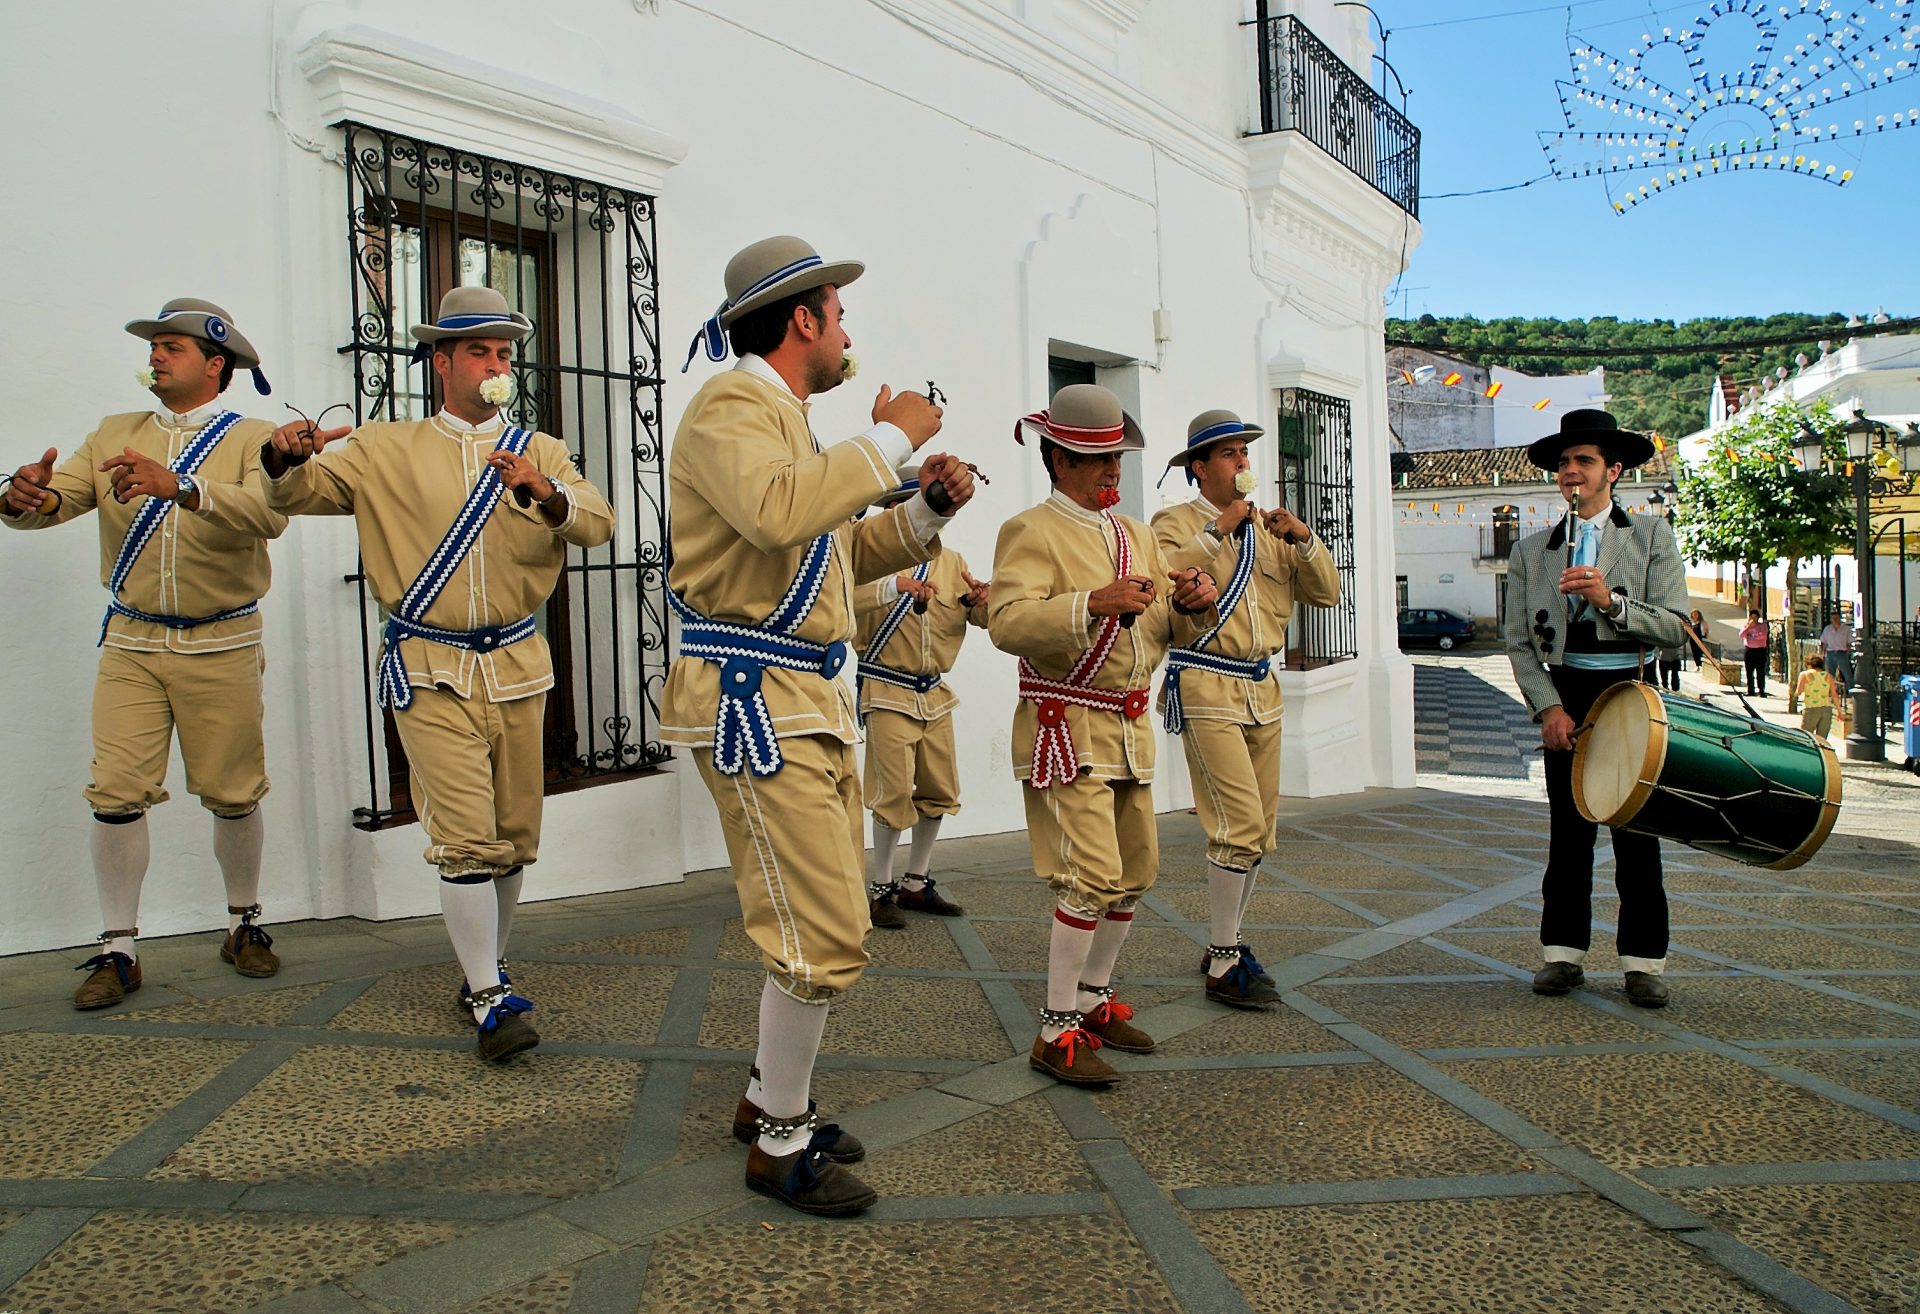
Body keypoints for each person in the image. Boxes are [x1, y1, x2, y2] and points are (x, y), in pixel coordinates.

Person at [664, 235, 973, 1216]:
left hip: (814, 705)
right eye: (840, 315)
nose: (848, 334)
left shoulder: (789, 424)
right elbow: (773, 513)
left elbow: (837, 555)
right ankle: (780, 1145)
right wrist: (892, 438)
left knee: (822, 922)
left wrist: (923, 507)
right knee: (821, 932)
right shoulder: (731, 406)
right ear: (803, 319)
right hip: (758, 704)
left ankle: (770, 1101)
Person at [262, 286, 614, 1063]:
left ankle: (481, 967)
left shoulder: (542, 449)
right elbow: (301, 492)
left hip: (519, 664)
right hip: (428, 665)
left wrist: (544, 492)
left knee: (515, 838)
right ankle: (489, 997)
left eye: (504, 352)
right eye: (481, 351)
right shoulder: (383, 448)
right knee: (463, 838)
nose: (496, 365)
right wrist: (283, 457)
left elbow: (597, 522)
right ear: (441, 360)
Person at [3, 298, 286, 1009]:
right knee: (116, 792)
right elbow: (54, 503)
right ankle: (118, 947)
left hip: (223, 639)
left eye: (173, 347)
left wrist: (183, 487)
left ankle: (243, 921)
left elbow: (271, 514)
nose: (156, 356)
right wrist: (18, 496)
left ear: (215, 364)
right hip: (131, 641)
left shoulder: (256, 437)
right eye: (155, 346)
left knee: (232, 790)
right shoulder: (112, 433)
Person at [990, 384, 1218, 1086]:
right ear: (1058, 461)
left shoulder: (1135, 536)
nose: (1111, 470)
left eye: (1116, 455)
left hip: (1128, 727)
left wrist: (1192, 606)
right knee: (1087, 876)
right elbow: (1007, 623)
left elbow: (1160, 631)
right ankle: (1055, 1027)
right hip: (1067, 725)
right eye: (1095, 458)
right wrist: (1092, 602)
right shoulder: (1030, 530)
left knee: (1135, 872)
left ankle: (1092, 1000)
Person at [1150, 409, 1338, 1009]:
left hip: (1264, 688)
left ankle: (1225, 942)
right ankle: (1224, 959)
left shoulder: (1270, 530)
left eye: (1245, 453)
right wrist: (1223, 527)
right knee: (1236, 826)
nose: (1243, 463)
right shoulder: (1174, 522)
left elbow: (1326, 595)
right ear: (1199, 468)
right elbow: (1163, 584)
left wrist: (1303, 540)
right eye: (1230, 454)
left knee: (1260, 834)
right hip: (1207, 683)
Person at [1503, 409, 1686, 1008]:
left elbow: (1677, 629)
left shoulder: (1652, 536)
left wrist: (1613, 604)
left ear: (1615, 470)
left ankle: (1643, 963)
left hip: (1631, 695)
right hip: (1568, 696)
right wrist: (1548, 708)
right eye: (1563, 463)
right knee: (1569, 831)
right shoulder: (1534, 552)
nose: (1570, 471)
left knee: (1638, 833)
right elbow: (1519, 644)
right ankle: (1562, 955)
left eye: (1583, 461)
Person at [853, 524, 990, 930]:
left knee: (939, 790)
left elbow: (977, 617)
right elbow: (839, 604)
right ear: (894, 510)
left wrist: (983, 601)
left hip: (934, 692)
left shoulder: (952, 563)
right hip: (886, 687)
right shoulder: (868, 561)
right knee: (891, 794)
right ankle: (881, 889)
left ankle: (916, 882)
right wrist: (893, 587)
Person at [1795, 652, 1840, 741]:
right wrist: (1839, 711)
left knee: (1806, 738)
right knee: (1822, 740)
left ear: (1809, 664)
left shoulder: (1804, 675)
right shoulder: (1828, 676)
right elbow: (1834, 695)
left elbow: (1798, 692)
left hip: (1810, 708)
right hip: (1826, 709)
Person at [1819, 613, 1853, 691]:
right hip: (1830, 652)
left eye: (1836, 618)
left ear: (1839, 618)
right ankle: (1830, 690)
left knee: (1847, 673)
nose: (1835, 620)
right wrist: (1823, 654)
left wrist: (1848, 651)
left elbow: (1849, 642)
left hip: (1841, 652)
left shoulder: (1846, 629)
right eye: (1833, 618)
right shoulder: (1827, 629)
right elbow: (1824, 642)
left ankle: (1851, 690)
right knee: (1830, 674)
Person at [1739, 609, 1769, 696]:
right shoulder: (1746, 626)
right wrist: (1749, 628)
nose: (1753, 619)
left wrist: (1751, 636)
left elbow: (1762, 636)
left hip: (1760, 651)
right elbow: (1741, 635)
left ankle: (1761, 690)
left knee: (1760, 671)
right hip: (1749, 650)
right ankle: (1750, 690)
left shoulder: (1762, 626)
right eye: (1752, 617)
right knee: (1749, 671)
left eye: (1755, 617)